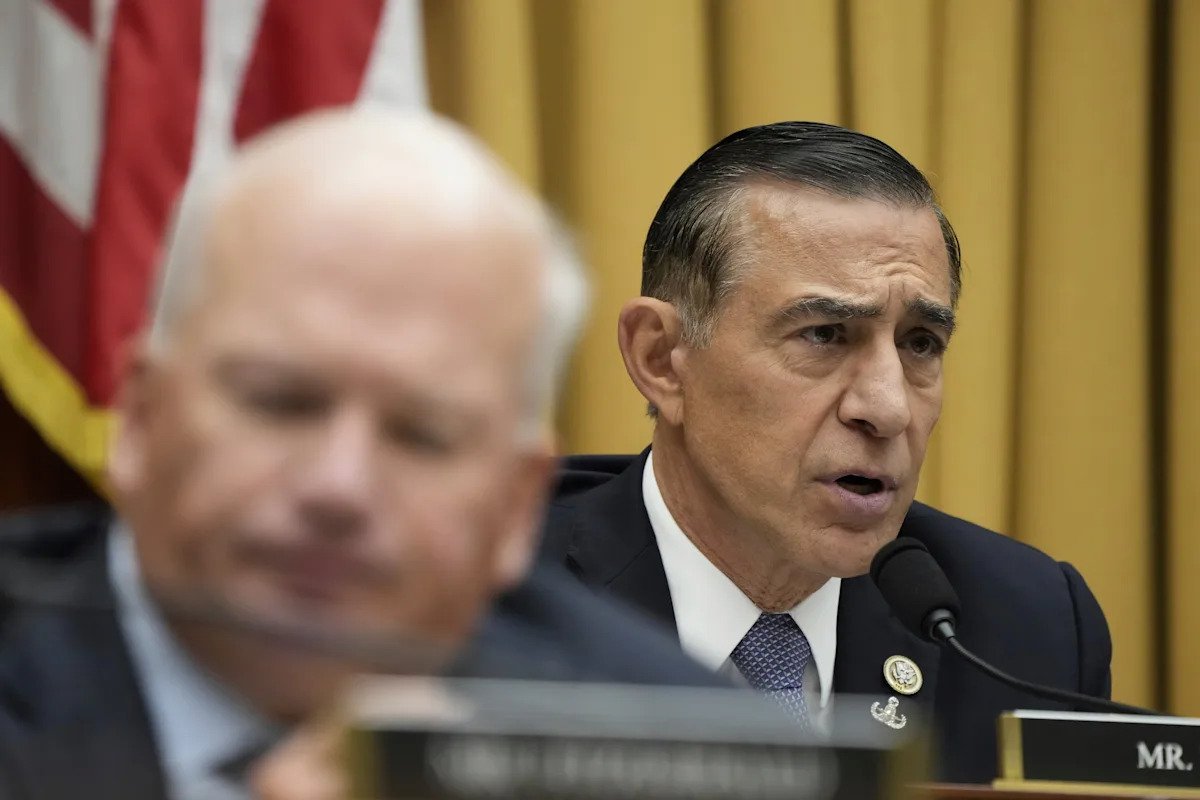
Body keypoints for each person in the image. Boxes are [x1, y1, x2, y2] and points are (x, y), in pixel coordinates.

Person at [0, 108, 723, 800]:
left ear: (514, 507)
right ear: (140, 421)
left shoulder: (680, 751)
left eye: (424, 435)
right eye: (280, 402)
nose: (338, 487)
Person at [538, 121, 1113, 784]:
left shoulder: (1030, 631)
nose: (889, 408)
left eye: (920, 343)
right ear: (662, 358)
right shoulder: (486, 596)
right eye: (825, 334)